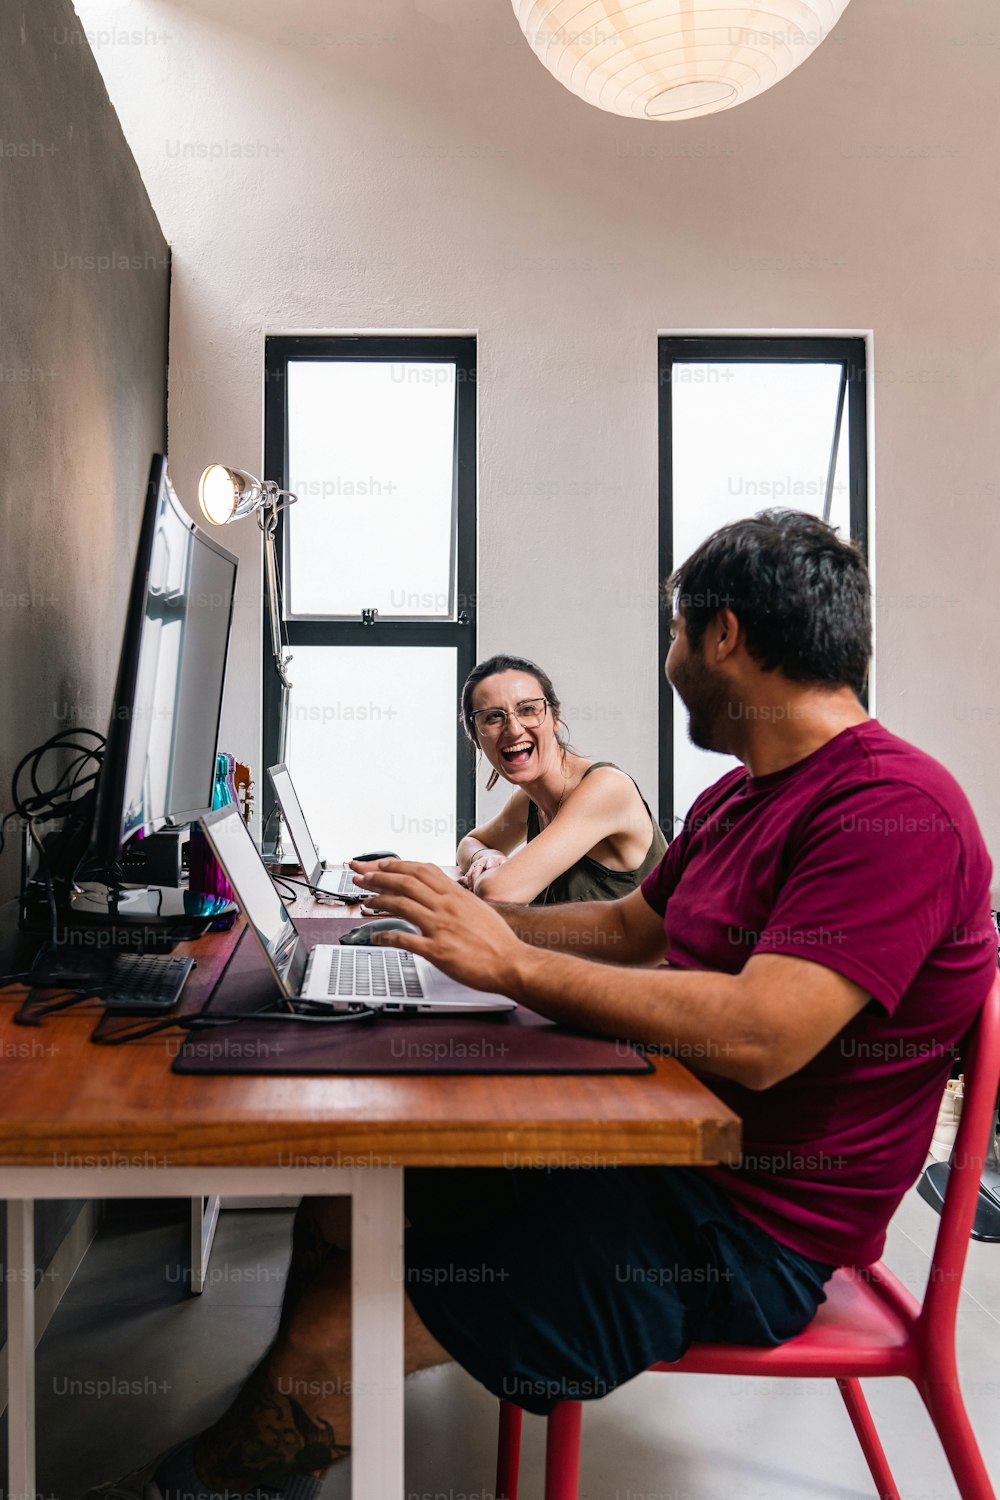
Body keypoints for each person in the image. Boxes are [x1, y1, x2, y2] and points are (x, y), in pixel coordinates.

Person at [88, 510, 995, 1500]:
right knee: (349, 1198)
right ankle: (306, 1438)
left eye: (675, 633)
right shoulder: (742, 797)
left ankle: (212, 1467)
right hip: (664, 1157)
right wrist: (461, 925)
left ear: (721, 634)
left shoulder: (887, 808)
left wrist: (509, 965)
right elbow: (625, 931)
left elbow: (763, 1035)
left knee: (333, 1327)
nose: (670, 658)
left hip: (746, 1234)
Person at [455, 653, 666, 904]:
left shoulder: (607, 788)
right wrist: (484, 857)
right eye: (493, 717)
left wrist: (484, 877)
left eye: (528, 709)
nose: (513, 729)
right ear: (476, 738)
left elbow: (498, 892)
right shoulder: (528, 802)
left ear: (555, 718)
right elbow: (471, 842)